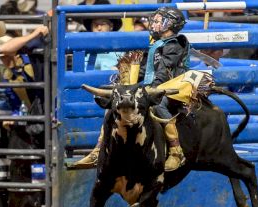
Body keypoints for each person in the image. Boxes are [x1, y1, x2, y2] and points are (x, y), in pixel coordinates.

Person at [76, 7, 188, 172]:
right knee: (115, 104)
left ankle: (176, 150)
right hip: (152, 86)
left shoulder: (174, 44)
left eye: (157, 21)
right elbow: (145, 69)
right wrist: (126, 81)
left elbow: (165, 70)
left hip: (171, 86)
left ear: (169, 24)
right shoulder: (156, 44)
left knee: (158, 106)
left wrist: (151, 88)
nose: (153, 24)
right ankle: (100, 148)